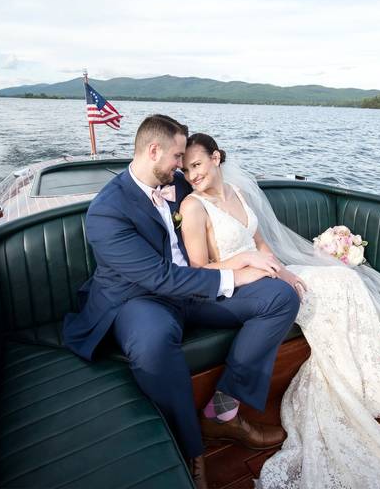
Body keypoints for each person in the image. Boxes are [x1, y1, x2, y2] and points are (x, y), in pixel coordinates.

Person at [181, 133, 380, 488]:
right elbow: (198, 270)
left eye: (197, 165)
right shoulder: (193, 207)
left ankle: (355, 384)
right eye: (186, 169)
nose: (192, 175)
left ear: (216, 158)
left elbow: (263, 245)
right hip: (232, 286)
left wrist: (286, 272)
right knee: (297, 295)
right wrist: (247, 261)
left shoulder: (240, 193)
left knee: (343, 282)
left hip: (266, 272)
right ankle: (226, 411)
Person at [62, 115, 301, 489]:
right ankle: (191, 450)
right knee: (154, 344)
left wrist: (258, 260)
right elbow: (159, 278)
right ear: (154, 150)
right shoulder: (107, 210)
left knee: (280, 297)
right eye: (177, 156)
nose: (183, 168)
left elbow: (212, 215)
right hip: (140, 299)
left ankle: (223, 413)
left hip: (193, 288)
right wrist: (236, 272)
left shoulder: (174, 181)